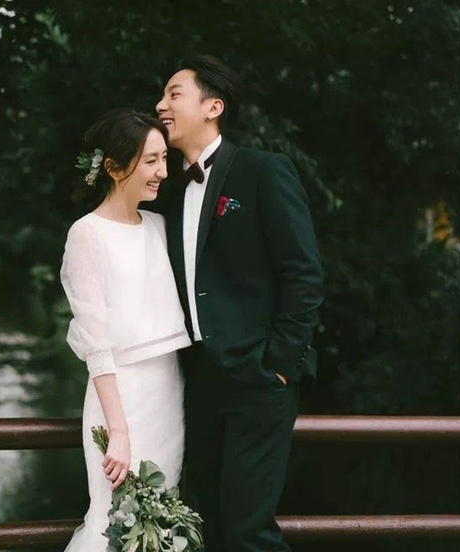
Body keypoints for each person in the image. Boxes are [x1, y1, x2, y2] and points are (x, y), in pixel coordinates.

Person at [152, 55, 324, 551]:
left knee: (249, 531)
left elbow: (303, 273)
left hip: (258, 377)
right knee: (201, 524)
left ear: (214, 107)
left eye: (174, 94)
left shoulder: (262, 171)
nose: (160, 105)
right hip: (195, 379)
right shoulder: (168, 188)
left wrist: (280, 365)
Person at [60, 108, 192, 551]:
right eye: (151, 160)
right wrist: (118, 430)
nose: (163, 171)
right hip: (121, 400)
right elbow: (96, 344)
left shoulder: (159, 226)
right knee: (115, 522)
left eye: (164, 158)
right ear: (114, 168)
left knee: (161, 521)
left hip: (167, 394)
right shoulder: (87, 234)